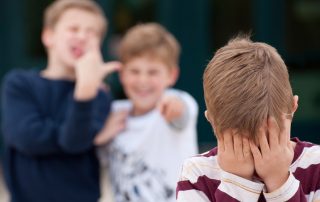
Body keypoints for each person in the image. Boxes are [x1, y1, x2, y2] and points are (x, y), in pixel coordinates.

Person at [1, 0, 121, 201]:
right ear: (48, 36)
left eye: (92, 32)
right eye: (73, 29)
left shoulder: (98, 95)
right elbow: (27, 138)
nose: (82, 36)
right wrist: (89, 138)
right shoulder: (20, 84)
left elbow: (73, 142)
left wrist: (85, 89)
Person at [176, 36, 320, 201]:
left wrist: (279, 182)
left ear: (293, 107)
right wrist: (237, 183)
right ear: (212, 121)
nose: (259, 156)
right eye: (242, 142)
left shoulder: (316, 166)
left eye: (268, 138)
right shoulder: (197, 174)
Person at [94, 23, 199, 202]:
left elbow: (181, 113)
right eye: (135, 71)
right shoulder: (114, 113)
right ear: (122, 75)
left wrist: (173, 107)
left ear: (172, 75)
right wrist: (100, 136)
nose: (143, 81)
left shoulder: (177, 99)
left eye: (153, 72)